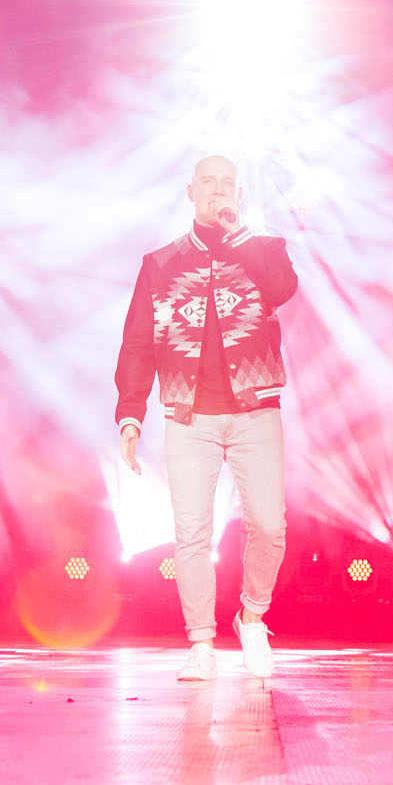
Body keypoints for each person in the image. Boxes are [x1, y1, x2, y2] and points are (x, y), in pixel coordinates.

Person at [115, 154, 299, 681]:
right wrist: (131, 413)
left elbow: (282, 290)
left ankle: (252, 617)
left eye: (228, 184)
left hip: (255, 411)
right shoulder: (161, 263)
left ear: (238, 194)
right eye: (209, 184)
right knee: (192, 534)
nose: (218, 192)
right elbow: (136, 342)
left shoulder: (263, 250)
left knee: (269, 526)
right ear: (191, 192)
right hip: (189, 416)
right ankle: (200, 641)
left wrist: (239, 236)